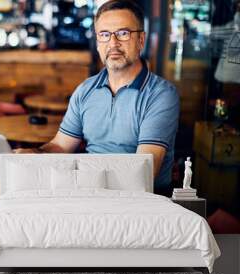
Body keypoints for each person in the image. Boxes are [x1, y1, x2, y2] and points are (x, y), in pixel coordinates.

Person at [15, 0, 180, 194]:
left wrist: (81, 181)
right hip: (90, 192)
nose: (113, 43)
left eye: (123, 33)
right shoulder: (85, 90)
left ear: (141, 40)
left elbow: (144, 173)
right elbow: (61, 145)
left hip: (142, 201)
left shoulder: (161, 95)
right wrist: (33, 155)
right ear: (98, 42)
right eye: (104, 34)